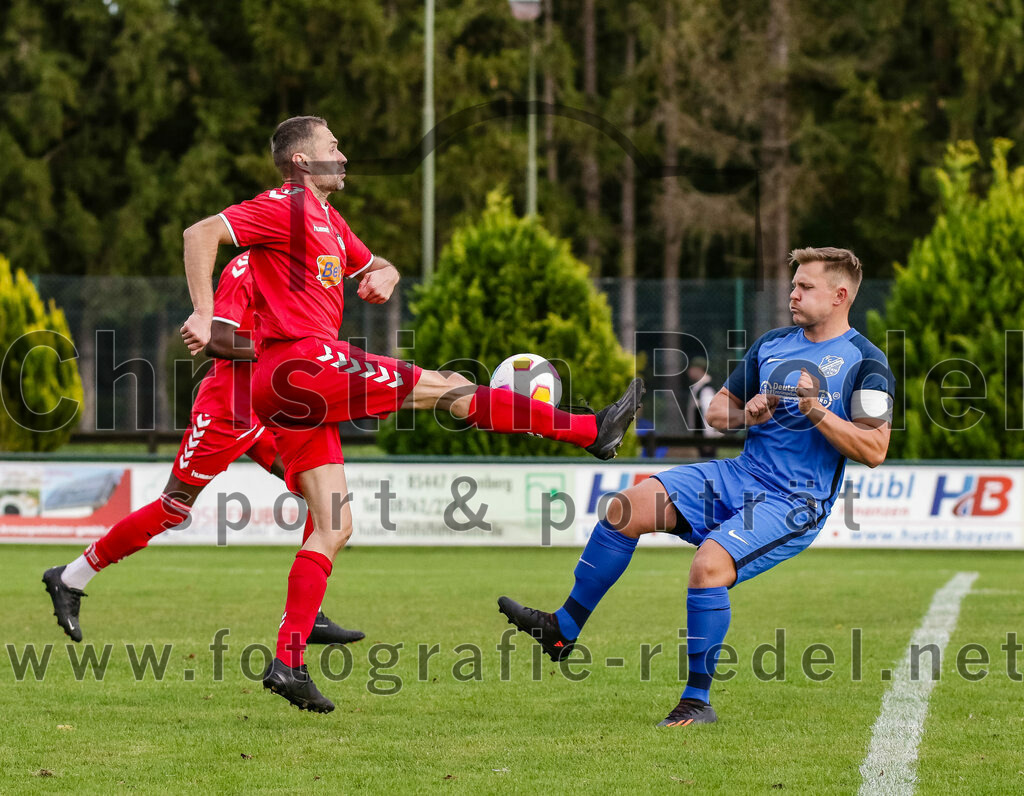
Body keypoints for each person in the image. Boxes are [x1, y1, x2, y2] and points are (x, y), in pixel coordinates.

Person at [179, 115, 644, 713]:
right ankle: (590, 430)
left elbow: (373, 264)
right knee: (450, 389)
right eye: (332, 145)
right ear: (301, 161)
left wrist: (387, 274)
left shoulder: (328, 220)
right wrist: (203, 312)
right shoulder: (285, 205)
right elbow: (199, 233)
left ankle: (288, 663)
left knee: (334, 525)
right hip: (301, 365)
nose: (343, 154)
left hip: (292, 389)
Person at [498, 247, 894, 727]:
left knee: (708, 566)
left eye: (805, 287)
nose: (793, 294)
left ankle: (696, 702)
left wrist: (815, 409)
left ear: (839, 295)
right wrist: (748, 413)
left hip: (794, 500)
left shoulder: (867, 362)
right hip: (741, 474)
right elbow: (718, 411)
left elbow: (874, 448)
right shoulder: (771, 345)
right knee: (625, 508)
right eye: (794, 285)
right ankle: (563, 628)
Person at [43, 251, 364, 648]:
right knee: (173, 507)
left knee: (318, 492)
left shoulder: (300, 264)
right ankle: (70, 577)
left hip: (270, 407)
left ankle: (307, 614)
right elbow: (217, 339)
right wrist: (280, 349)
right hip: (227, 412)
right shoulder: (245, 268)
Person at [684, 356, 723, 458]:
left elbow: (708, 414)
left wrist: (708, 439)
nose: (689, 372)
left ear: (699, 369)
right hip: (702, 439)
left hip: (706, 440)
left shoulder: (706, 389)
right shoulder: (699, 387)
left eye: (691, 368)